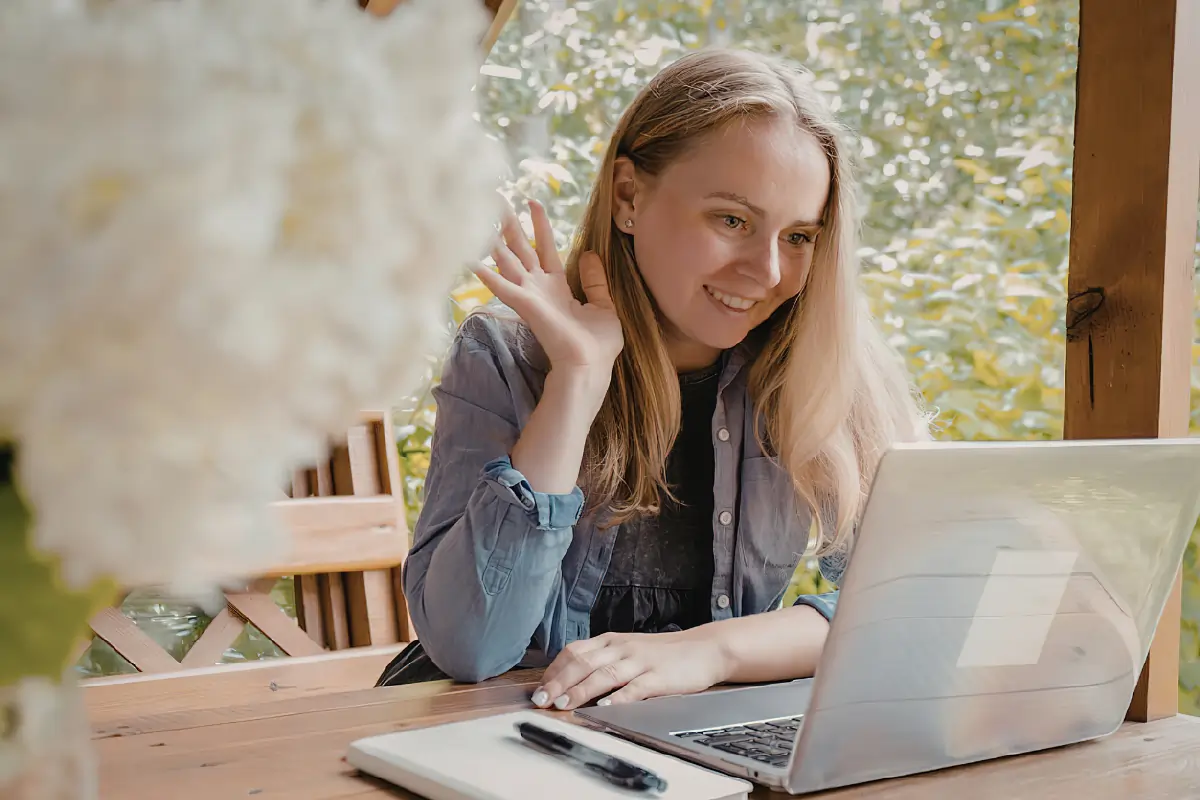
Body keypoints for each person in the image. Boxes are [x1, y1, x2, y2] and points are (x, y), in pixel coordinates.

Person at [377, 48, 929, 710]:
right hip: (499, 731)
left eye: (799, 237)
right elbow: (472, 648)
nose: (769, 272)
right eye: (733, 220)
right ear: (629, 197)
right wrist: (577, 381)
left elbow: (911, 602)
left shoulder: (820, 362)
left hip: (692, 733)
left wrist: (713, 651)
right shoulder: (508, 353)